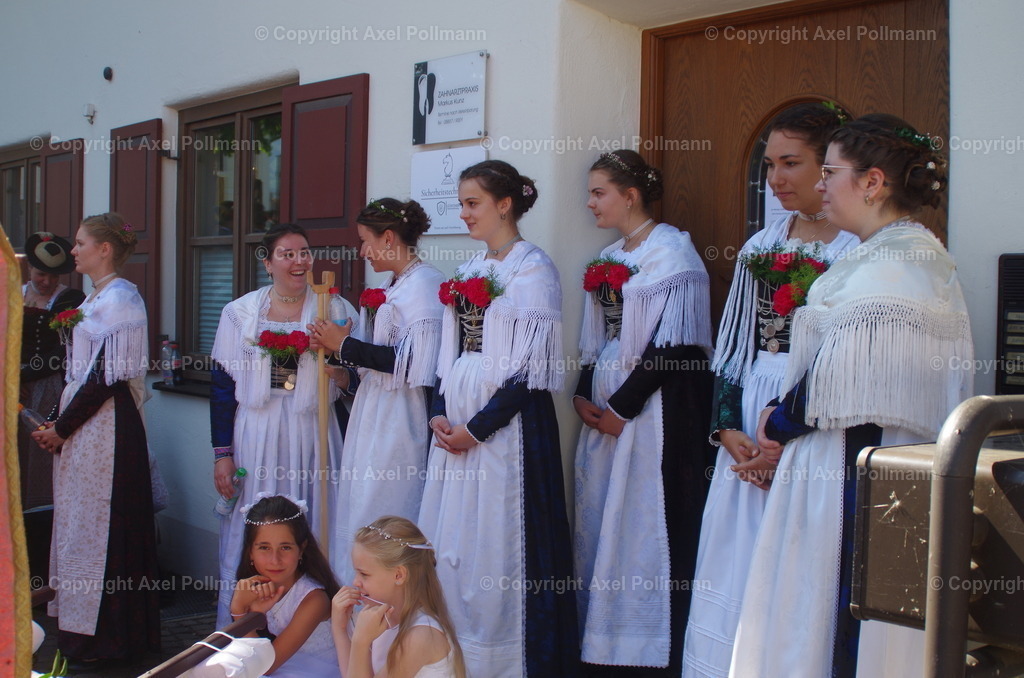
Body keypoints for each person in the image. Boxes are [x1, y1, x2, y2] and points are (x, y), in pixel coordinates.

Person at [729, 114, 973, 678]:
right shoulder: (895, 255)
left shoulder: (895, 264)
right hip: (860, 465)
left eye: (831, 172)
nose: (820, 186)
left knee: (839, 615)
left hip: (853, 475)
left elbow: (846, 382)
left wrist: (777, 423)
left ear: (872, 182)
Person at [682, 103, 858, 677]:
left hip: (808, 417)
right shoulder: (762, 243)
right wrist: (728, 428)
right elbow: (733, 345)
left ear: (829, 166)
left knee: (794, 556)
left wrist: (781, 439)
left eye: (791, 163)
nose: (776, 178)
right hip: (751, 414)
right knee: (734, 553)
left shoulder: (855, 251)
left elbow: (845, 359)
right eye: (770, 164)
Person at [417, 159, 578, 677]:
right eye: (462, 203)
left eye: (472, 203)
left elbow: (528, 373)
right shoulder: (470, 272)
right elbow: (448, 354)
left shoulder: (533, 269)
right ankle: (453, 649)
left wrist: (477, 429)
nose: (463, 214)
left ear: (504, 204)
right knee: (456, 539)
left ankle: (505, 655)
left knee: (498, 542)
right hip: (459, 428)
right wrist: (441, 414)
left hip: (506, 434)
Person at [571, 149, 713, 676]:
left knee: (642, 524)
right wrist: (585, 394)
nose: (589, 203)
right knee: (602, 514)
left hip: (652, 414)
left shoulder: (672, 254)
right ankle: (600, 640)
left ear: (630, 196)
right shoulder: (610, 255)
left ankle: (645, 646)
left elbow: (675, 344)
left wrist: (623, 408)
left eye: (598, 192)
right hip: (608, 411)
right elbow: (600, 337)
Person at [210, 223, 357, 625]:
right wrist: (222, 455)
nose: (298, 261)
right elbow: (222, 386)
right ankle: (250, 623)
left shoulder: (335, 309)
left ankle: (315, 624)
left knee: (313, 520)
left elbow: (359, 379)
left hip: (312, 431)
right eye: (288, 254)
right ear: (268, 262)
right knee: (260, 521)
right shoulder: (240, 313)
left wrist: (340, 374)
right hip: (256, 433)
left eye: (304, 253)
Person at [32, 212, 159, 671]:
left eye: (82, 242)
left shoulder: (122, 299)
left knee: (107, 526)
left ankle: (111, 638)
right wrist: (54, 422)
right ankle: (84, 631)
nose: (75, 249)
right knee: (81, 523)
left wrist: (61, 427)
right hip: (86, 426)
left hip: (107, 428)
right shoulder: (96, 298)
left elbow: (106, 378)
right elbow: (76, 377)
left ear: (105, 249)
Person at [308, 198, 444, 585]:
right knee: (359, 500)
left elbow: (418, 363)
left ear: (389, 237)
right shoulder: (390, 284)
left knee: (385, 500)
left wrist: (345, 345)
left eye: (366, 241)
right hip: (374, 410)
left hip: (403, 417)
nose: (362, 251)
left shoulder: (425, 285)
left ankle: (390, 598)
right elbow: (377, 361)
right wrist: (345, 373)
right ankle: (357, 601)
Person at [331, 516, 466, 678]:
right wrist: (340, 628)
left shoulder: (420, 636)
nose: (355, 582)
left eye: (364, 574)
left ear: (399, 575)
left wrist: (361, 642)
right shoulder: (383, 619)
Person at [230, 494, 340, 676]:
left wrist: (239, 610)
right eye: (264, 547)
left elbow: (265, 666)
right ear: (250, 551)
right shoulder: (255, 588)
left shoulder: (314, 599)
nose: (275, 560)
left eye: (286, 547)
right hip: (281, 665)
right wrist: (255, 614)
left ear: (301, 550)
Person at [19, 232, 85, 510]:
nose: (46, 282)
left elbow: (65, 351)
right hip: (8, 384)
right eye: (41, 274)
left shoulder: (70, 299)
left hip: (47, 383)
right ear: (30, 268)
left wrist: (23, 375)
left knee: (40, 449)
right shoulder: (12, 294)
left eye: (53, 277)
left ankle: (42, 512)